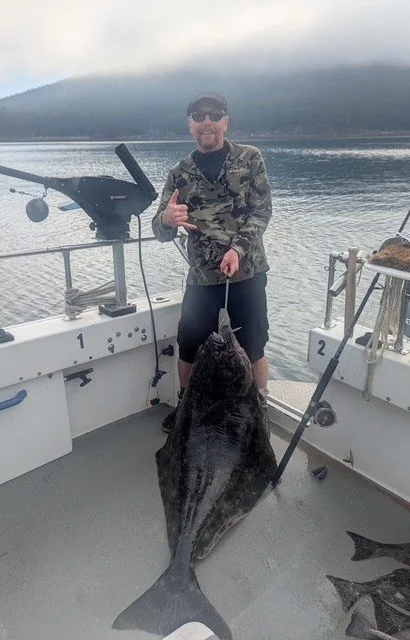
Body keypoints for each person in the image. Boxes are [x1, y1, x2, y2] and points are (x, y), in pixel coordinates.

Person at [152, 91, 272, 433]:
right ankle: (186, 407)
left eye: (214, 115)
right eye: (199, 115)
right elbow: (159, 229)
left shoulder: (250, 158)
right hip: (202, 277)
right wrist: (167, 220)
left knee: (253, 344)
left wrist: (238, 249)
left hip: (247, 270)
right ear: (190, 124)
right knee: (188, 344)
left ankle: (258, 404)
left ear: (225, 122)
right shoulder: (179, 173)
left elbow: (262, 212)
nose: (207, 122)